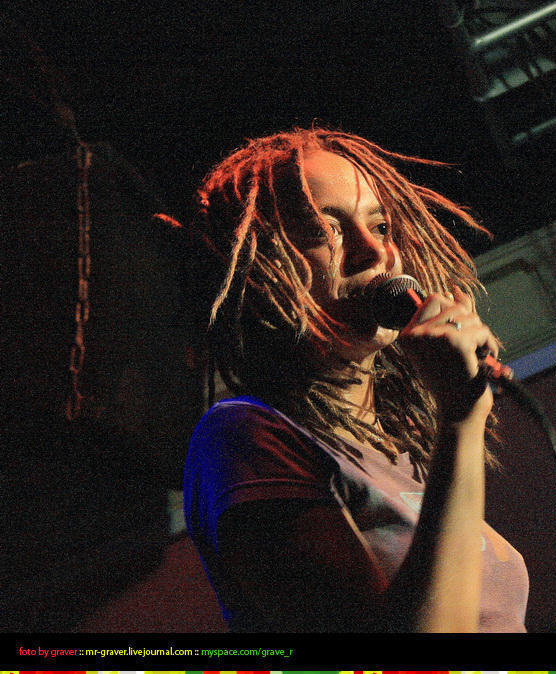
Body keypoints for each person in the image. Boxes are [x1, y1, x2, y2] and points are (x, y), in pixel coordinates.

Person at [181, 127, 529, 632]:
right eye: (326, 230)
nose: (374, 252)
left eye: (381, 226)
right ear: (257, 268)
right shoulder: (242, 438)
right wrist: (461, 420)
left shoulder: (400, 446)